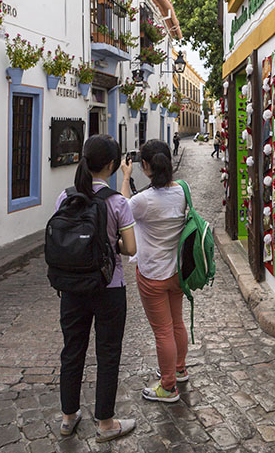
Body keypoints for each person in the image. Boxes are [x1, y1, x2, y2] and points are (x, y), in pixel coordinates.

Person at [54, 134, 138, 442]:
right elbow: (129, 248)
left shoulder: (64, 197)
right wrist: (108, 242)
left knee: (72, 350)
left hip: (72, 287)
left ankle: (67, 417)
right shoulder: (117, 203)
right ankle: (105, 423)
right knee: (108, 353)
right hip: (109, 286)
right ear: (113, 165)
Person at [120, 139, 189, 403]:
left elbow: (121, 212)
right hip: (178, 272)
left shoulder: (143, 200)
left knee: (163, 331)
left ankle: (168, 386)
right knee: (177, 323)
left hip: (152, 275)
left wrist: (126, 178)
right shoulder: (184, 189)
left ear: (145, 166)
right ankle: (179, 369)